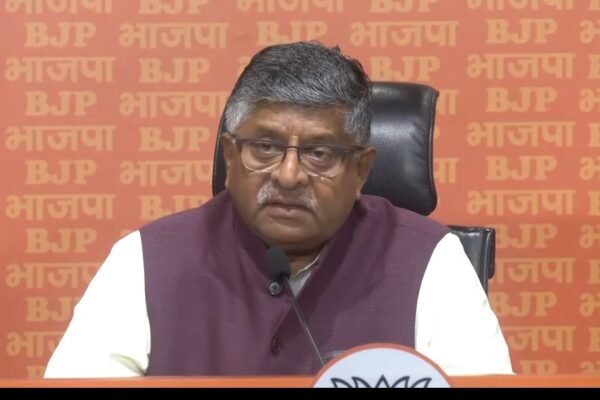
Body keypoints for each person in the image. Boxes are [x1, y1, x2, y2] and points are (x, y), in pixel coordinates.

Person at [44, 41, 513, 378]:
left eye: (319, 153)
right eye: (265, 148)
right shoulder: (146, 260)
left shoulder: (429, 260)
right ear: (230, 156)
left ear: (361, 169)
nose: (289, 176)